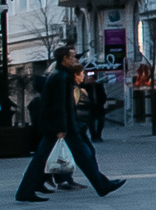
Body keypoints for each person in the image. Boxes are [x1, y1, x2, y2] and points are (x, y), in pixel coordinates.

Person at [19, 46, 120, 201]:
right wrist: (61, 128)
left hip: (61, 126)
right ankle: (102, 185)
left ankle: (102, 185)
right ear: (65, 59)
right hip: (63, 128)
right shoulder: (61, 77)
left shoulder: (59, 75)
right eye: (72, 57)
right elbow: (59, 105)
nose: (75, 60)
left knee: (75, 156)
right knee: (76, 156)